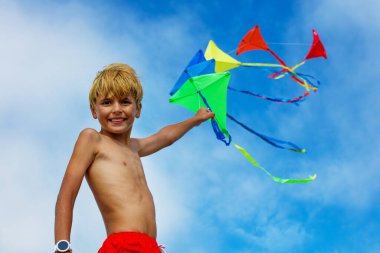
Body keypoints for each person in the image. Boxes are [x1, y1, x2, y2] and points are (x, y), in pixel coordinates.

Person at [54, 63, 215, 253]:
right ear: (93, 110)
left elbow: (165, 137)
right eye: (107, 103)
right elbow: (67, 194)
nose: (116, 109)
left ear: (138, 109)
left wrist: (195, 120)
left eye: (125, 102)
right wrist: (62, 244)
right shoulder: (92, 139)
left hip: (151, 248)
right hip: (122, 246)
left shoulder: (134, 147)